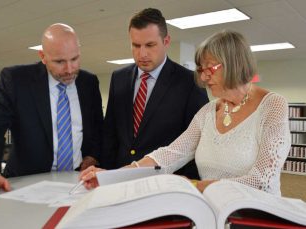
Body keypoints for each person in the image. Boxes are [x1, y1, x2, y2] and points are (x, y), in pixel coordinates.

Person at [81, 30, 291, 196]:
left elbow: (263, 179)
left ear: (234, 63)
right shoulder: (208, 112)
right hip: (212, 210)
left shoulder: (272, 106)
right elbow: (170, 154)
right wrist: (114, 176)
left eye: (210, 68)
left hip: (256, 214)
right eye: (201, 70)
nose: (204, 77)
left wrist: (196, 186)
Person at [0, 23, 103, 198]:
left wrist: (93, 155)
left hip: (77, 181)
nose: (69, 69)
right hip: (27, 182)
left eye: (75, 59)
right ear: (43, 56)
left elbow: (98, 127)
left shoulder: (88, 82)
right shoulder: (16, 80)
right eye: (60, 61)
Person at [100, 8, 209, 178]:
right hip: (120, 177)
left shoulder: (190, 82)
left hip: (166, 181)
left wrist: (186, 183)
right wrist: (106, 176)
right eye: (136, 45)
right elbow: (110, 134)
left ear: (166, 41)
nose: (142, 53)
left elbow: (198, 142)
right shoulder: (118, 78)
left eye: (150, 45)